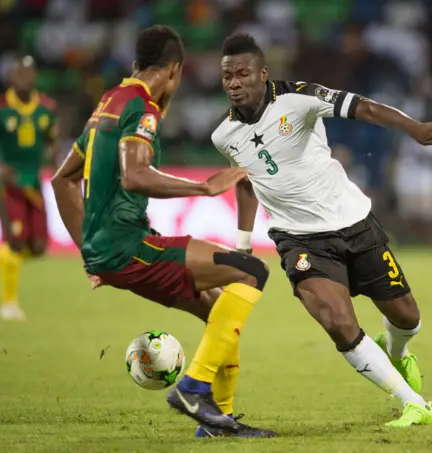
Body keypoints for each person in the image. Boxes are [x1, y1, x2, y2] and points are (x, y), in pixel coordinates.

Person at [212, 34, 432, 427]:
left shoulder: (298, 98)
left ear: (263, 74)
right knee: (339, 323)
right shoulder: (223, 135)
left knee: (407, 317)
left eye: (242, 74)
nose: (234, 83)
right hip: (299, 240)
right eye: (227, 76)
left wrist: (413, 128)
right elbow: (246, 179)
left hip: (353, 222)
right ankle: (413, 404)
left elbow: (365, 107)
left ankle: (395, 352)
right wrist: (242, 244)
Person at [51, 26, 275, 438]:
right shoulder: (142, 107)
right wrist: (204, 187)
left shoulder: (108, 103)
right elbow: (134, 175)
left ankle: (215, 422)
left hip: (113, 249)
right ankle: (192, 390)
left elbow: (62, 180)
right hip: (130, 246)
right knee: (252, 271)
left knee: (218, 310)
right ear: (174, 70)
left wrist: (90, 252)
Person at [0, 55, 59, 321]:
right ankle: (8, 304)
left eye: (30, 74)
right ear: (11, 78)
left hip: (33, 183)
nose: (26, 79)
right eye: (20, 74)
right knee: (16, 243)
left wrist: (57, 166)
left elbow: (52, 142)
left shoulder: (46, 107)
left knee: (39, 248)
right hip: (8, 185)